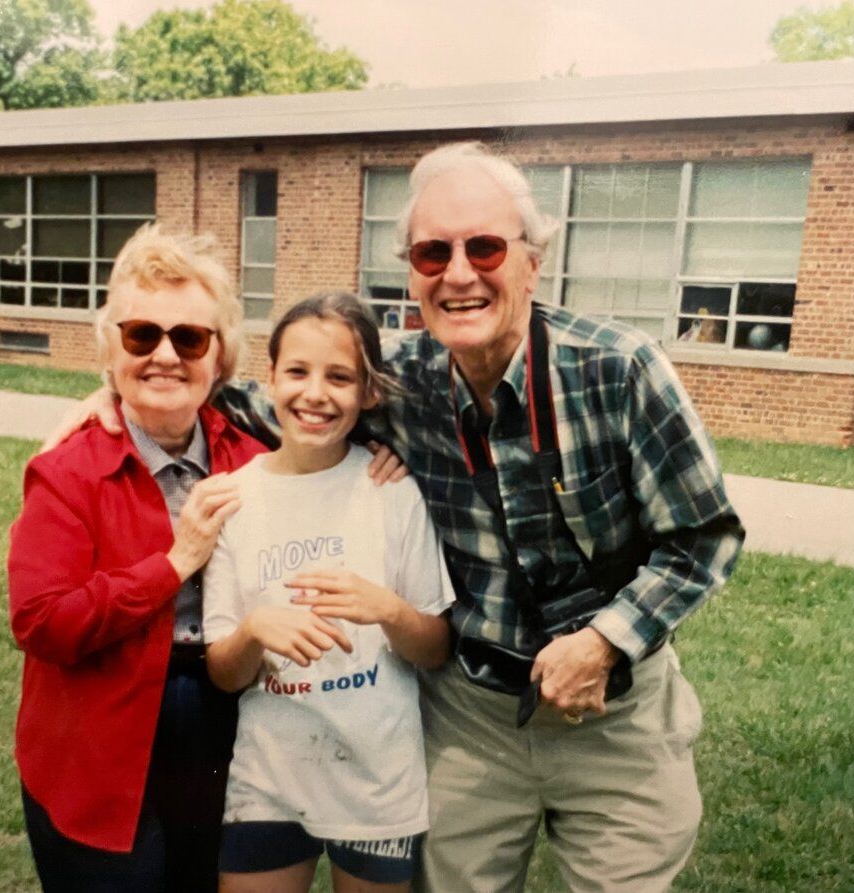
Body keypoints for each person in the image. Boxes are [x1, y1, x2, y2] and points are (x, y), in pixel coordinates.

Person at [47, 141, 744, 892]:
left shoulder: (619, 370)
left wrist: (605, 642)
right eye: (432, 252)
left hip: (615, 713)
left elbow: (703, 539)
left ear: (532, 262)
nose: (459, 274)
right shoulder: (404, 384)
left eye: (484, 247)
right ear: (412, 271)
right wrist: (116, 395)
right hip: (472, 715)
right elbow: (265, 398)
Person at [7, 224, 268, 892]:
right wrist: (172, 565)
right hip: (94, 740)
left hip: (224, 727)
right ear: (111, 349)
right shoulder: (67, 471)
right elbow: (42, 622)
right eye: (141, 335)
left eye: (190, 338)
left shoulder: (256, 462)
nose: (165, 356)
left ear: (220, 356)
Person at [203, 293, 455, 893]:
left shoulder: (391, 491)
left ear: (368, 393)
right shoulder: (235, 499)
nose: (315, 394)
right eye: (297, 371)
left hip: (377, 780)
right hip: (269, 779)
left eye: (339, 377)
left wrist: (389, 610)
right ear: (270, 378)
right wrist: (253, 630)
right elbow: (224, 674)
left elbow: (436, 649)